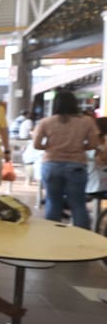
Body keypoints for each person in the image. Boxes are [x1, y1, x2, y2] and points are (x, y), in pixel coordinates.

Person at [33, 90, 100, 229]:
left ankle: (52, 235)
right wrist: (80, 147)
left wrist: (50, 147)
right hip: (76, 165)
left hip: (51, 164)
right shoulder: (86, 121)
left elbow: (36, 144)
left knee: (53, 202)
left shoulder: (46, 122)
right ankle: (83, 237)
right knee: (78, 204)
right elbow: (94, 144)